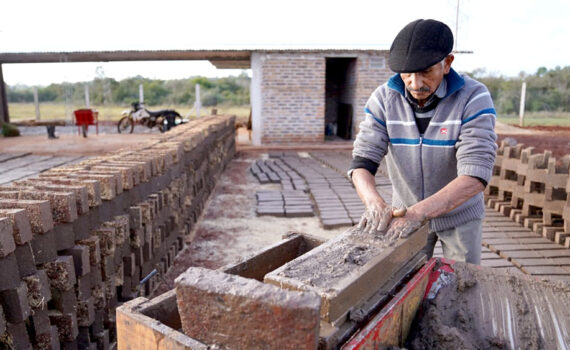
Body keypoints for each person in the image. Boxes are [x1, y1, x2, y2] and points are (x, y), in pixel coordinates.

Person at [350, 19, 497, 264]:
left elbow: (476, 175)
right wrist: (373, 202)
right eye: (407, 74)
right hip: (404, 212)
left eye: (426, 72)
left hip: (460, 216)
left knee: (462, 283)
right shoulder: (384, 99)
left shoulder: (474, 97)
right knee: (402, 281)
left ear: (447, 63)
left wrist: (417, 214)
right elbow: (362, 161)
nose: (415, 83)